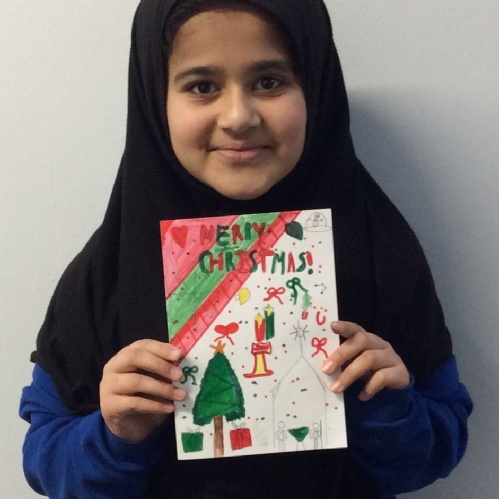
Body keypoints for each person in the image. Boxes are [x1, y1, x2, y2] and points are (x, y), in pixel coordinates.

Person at [19, 0, 472, 498]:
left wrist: (389, 409)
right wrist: (114, 436)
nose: (238, 116)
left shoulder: (380, 254)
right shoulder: (106, 277)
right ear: (154, 97)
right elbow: (46, 463)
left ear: (315, 87)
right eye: (202, 86)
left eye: (269, 81)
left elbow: (439, 446)